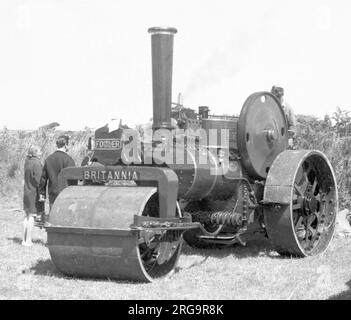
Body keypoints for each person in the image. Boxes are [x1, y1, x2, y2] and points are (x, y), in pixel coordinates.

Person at [39, 135, 76, 211]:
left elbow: (43, 179)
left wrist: (42, 193)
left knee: (53, 218)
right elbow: (73, 180)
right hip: (65, 194)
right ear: (66, 145)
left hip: (53, 193)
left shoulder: (48, 159)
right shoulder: (69, 160)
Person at [23, 145, 44, 246]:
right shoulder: (37, 163)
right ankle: (28, 240)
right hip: (33, 192)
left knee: (27, 216)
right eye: (40, 151)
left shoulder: (27, 161)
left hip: (26, 190)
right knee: (32, 217)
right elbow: (38, 180)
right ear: (35, 152)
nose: (41, 152)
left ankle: (24, 239)